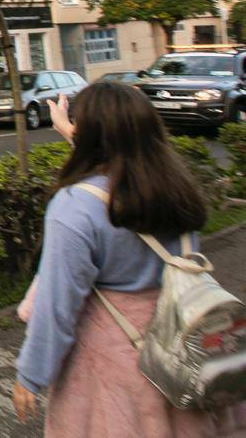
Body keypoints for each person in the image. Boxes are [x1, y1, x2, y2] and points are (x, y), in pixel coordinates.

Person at [12, 83, 246, 436]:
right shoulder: (173, 186)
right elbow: (117, 179)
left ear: (90, 136)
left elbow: (57, 305)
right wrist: (71, 132)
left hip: (117, 371)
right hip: (182, 352)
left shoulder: (74, 207)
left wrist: (30, 374)